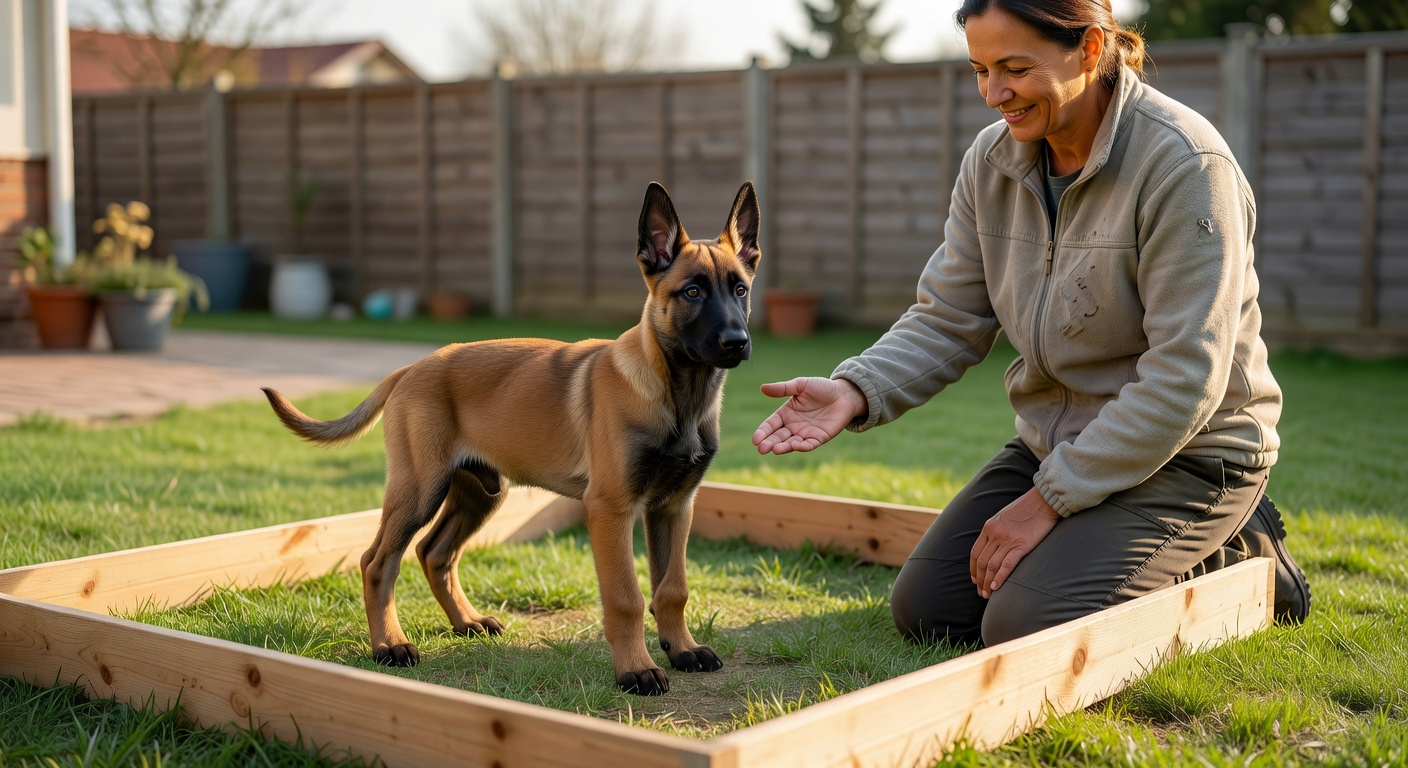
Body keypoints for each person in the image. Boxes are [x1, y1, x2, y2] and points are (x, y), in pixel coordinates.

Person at [751, 0, 1310, 647]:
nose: (994, 94)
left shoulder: (1184, 165)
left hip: (1189, 455)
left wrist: (1048, 502)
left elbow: (1186, 376)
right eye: (980, 70)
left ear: (1092, 50)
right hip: (1055, 444)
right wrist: (853, 390)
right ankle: (1107, 539)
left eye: (1015, 68)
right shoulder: (991, 165)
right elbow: (948, 317)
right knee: (928, 612)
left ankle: (1241, 553)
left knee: (1025, 625)